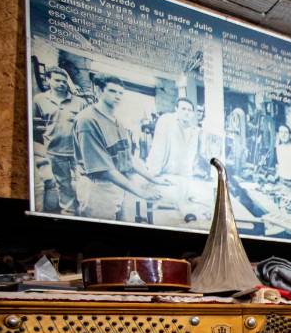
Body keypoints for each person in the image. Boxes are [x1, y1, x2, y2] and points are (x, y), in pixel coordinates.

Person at [73, 75, 164, 220]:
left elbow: (128, 158)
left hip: (119, 184)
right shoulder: (87, 120)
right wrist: (139, 191)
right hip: (98, 188)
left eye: (121, 93)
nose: (118, 96)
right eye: (112, 91)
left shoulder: (117, 120)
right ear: (98, 90)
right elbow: (103, 170)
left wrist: (153, 179)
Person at [32, 67, 84, 213]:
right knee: (64, 186)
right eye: (57, 80)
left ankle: (85, 213)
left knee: (84, 184)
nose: (61, 84)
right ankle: (69, 214)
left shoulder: (79, 102)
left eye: (64, 81)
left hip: (78, 152)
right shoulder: (39, 100)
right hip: (54, 151)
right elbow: (35, 127)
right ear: (48, 80)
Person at [145, 97, 201, 177]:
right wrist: (154, 172)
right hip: (161, 172)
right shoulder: (166, 120)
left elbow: (191, 155)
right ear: (176, 109)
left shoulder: (193, 130)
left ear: (192, 113)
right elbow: (158, 147)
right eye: (183, 109)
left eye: (189, 110)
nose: (186, 112)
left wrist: (188, 174)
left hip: (180, 174)